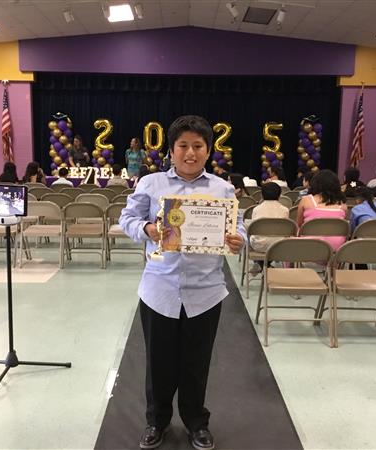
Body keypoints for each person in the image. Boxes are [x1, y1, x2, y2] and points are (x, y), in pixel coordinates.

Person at [119, 115, 245, 450]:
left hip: (205, 293)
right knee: (158, 363)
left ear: (208, 150)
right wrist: (146, 229)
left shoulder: (222, 188)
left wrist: (238, 239)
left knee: (196, 363)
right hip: (159, 290)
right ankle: (156, 421)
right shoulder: (151, 183)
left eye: (198, 146)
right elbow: (127, 218)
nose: (191, 153)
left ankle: (196, 423)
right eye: (183, 146)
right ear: (172, 150)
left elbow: (238, 225)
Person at [296, 169, 347, 251]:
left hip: (309, 248)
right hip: (336, 249)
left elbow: (299, 225)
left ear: (315, 183)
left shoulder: (306, 200)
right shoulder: (343, 205)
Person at [249, 182, 289, 273]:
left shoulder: (256, 209)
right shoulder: (285, 210)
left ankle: (260, 264)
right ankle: (266, 266)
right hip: (279, 246)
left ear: (262, 195)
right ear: (279, 195)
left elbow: (253, 230)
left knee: (247, 236)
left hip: (259, 246)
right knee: (272, 241)